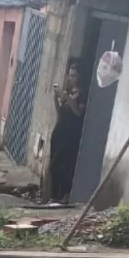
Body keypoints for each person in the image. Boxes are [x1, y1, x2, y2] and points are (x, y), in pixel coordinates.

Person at [49, 63, 85, 203]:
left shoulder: (81, 94)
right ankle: (54, 196)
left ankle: (62, 195)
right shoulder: (69, 93)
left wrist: (68, 98)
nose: (71, 79)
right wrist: (56, 99)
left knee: (60, 166)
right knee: (53, 165)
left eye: (74, 75)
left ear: (80, 76)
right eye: (69, 76)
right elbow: (60, 114)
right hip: (59, 132)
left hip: (69, 136)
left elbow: (78, 113)